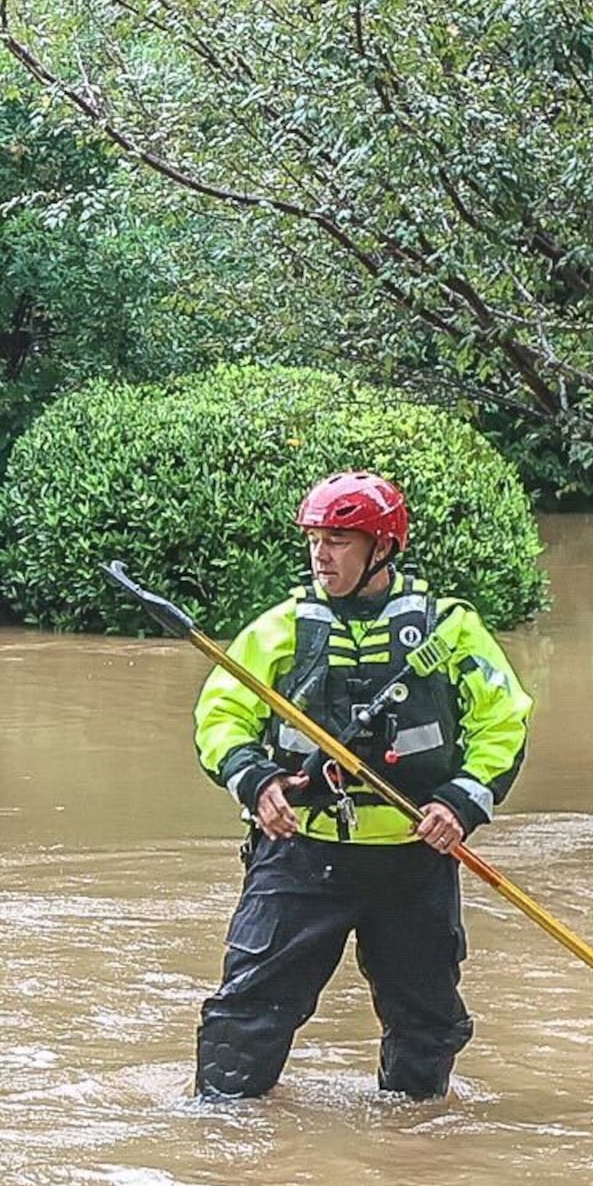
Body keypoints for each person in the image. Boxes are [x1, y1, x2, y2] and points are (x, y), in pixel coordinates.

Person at [190, 472, 531, 1102]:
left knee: (426, 1026)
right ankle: (225, 1145)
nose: (322, 555)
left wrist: (460, 802)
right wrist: (255, 779)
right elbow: (220, 716)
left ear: (381, 547)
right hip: (301, 856)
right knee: (246, 1017)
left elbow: (502, 722)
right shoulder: (280, 629)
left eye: (340, 540)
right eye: (315, 539)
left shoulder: (450, 630)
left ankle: (414, 1152)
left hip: (414, 857)